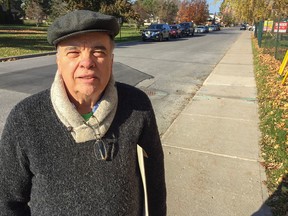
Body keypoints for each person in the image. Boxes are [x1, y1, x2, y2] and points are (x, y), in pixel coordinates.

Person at [0, 10, 166, 215]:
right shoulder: (24, 118)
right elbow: (7, 202)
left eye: (99, 52)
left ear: (111, 61)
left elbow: (155, 186)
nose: (87, 62)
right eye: (73, 52)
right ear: (58, 61)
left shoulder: (137, 106)